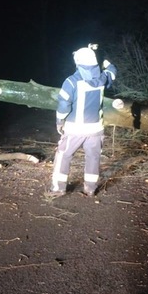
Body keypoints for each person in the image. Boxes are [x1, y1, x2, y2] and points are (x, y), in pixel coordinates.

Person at [47, 43, 117, 198]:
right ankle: (90, 189)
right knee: (93, 157)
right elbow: (112, 71)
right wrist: (104, 58)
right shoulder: (102, 78)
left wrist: (60, 121)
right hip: (95, 130)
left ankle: (58, 188)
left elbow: (64, 105)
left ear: (77, 62)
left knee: (63, 155)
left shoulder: (71, 82)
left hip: (75, 130)